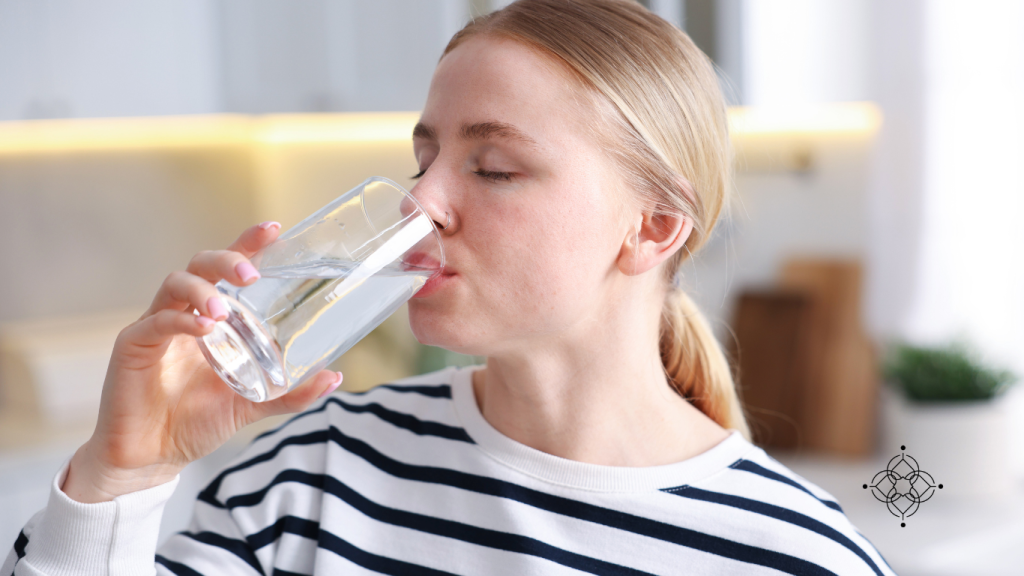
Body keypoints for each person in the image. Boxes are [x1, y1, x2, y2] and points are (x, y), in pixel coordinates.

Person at [4, 1, 894, 574]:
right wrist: (125, 473)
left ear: (654, 227)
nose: (421, 203)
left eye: (494, 167)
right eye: (425, 156)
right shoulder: (312, 472)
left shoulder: (797, 555)